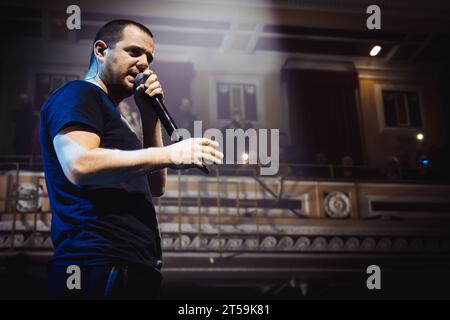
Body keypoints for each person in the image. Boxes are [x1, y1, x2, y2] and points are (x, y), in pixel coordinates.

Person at [39, 20, 223, 299]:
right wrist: (171, 153)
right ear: (101, 50)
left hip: (128, 264)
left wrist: (149, 118)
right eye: (134, 52)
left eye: (149, 58)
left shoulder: (118, 119)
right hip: (97, 263)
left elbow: (155, 186)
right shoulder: (79, 93)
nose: (144, 64)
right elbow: (80, 164)